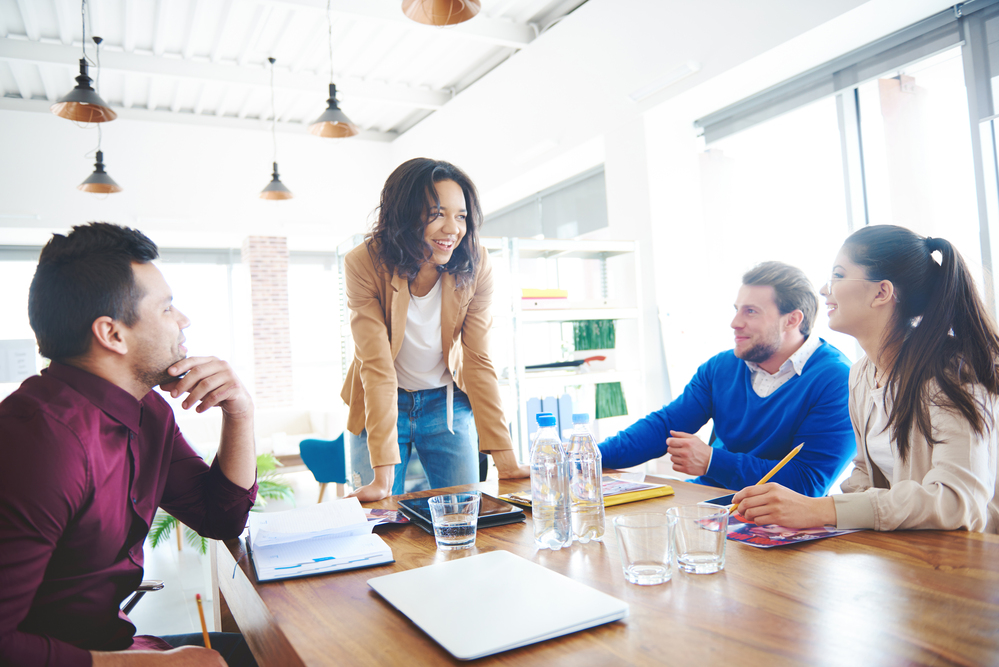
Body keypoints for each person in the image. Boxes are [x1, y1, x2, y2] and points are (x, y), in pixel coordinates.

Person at [0, 223, 259, 666]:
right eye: (167, 309)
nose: (183, 321)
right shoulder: (38, 440)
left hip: (115, 642)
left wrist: (240, 411)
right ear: (112, 334)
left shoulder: (147, 412)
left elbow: (221, 516)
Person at [732, 226, 999, 533]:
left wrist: (822, 509)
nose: (824, 289)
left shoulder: (953, 375)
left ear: (881, 292)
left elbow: (957, 502)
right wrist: (819, 525)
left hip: (967, 564)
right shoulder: (861, 374)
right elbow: (865, 473)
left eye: (839, 275)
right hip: (907, 558)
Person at [341, 158, 529, 501]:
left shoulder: (476, 262)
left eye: (461, 216)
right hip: (381, 403)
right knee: (379, 523)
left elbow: (477, 359)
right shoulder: (363, 262)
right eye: (437, 213)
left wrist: (507, 461)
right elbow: (377, 367)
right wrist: (383, 478)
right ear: (405, 213)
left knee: (464, 515)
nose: (453, 228)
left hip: (446, 404)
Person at [599, 261, 855, 496]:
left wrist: (712, 462)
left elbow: (807, 482)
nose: (735, 322)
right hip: (709, 503)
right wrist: (588, 456)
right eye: (737, 310)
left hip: (776, 521)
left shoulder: (837, 380)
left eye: (751, 312)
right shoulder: (721, 367)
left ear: (792, 320)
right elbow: (663, 427)